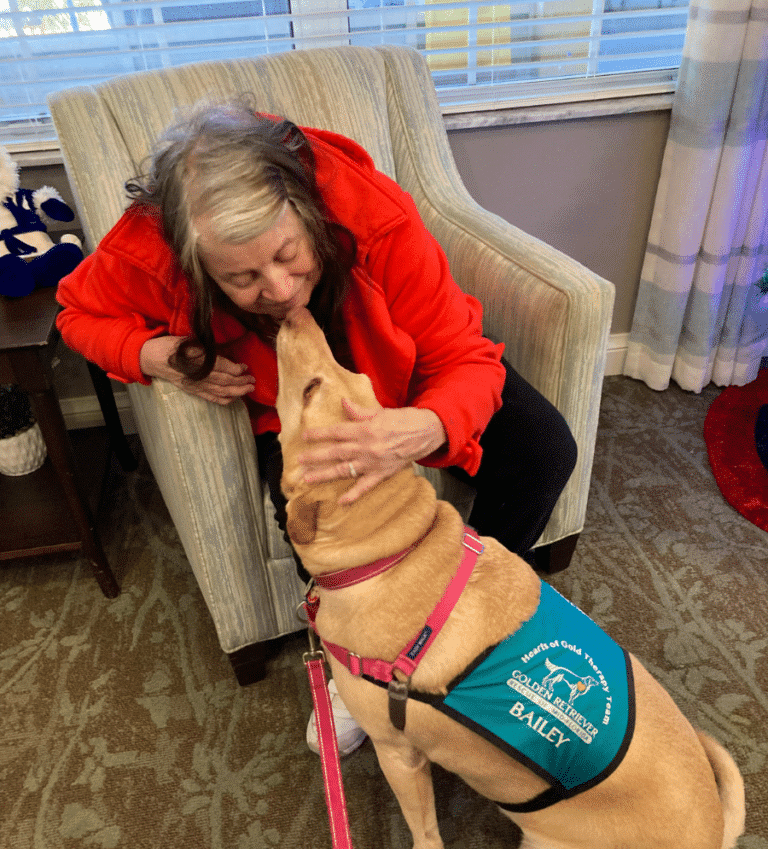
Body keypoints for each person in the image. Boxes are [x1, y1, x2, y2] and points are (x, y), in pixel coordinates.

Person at [56, 100, 577, 756]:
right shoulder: (147, 245)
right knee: (304, 514)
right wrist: (155, 356)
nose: (279, 290)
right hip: (293, 409)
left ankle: (472, 618)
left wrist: (424, 425)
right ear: (196, 263)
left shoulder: (373, 213)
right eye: (242, 278)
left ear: (303, 213)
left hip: (409, 375)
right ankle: (351, 666)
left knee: (544, 447)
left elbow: (464, 358)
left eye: (287, 256)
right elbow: (78, 313)